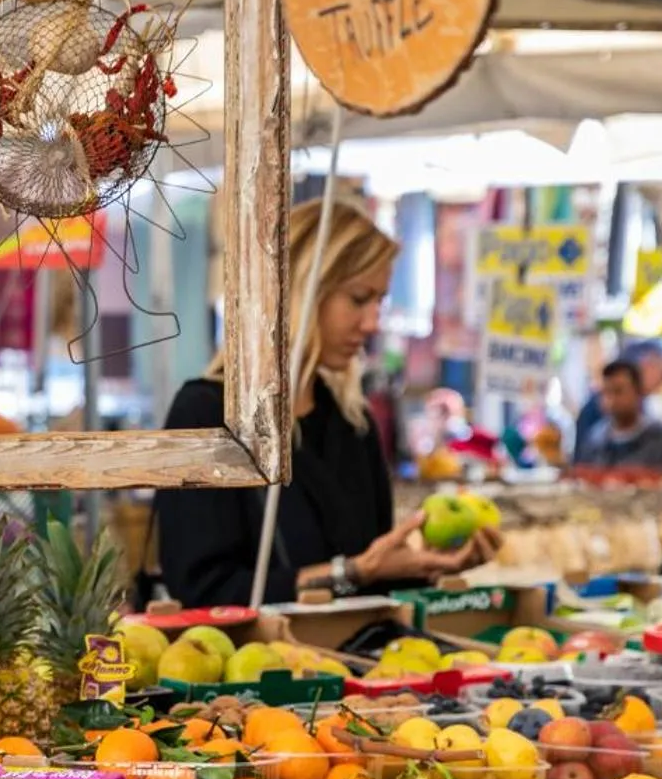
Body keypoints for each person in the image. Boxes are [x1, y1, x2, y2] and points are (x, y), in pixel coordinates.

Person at [156, 199, 498, 606]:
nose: (372, 323)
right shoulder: (208, 414)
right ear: (300, 291)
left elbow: (370, 588)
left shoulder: (354, 423)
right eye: (358, 299)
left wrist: (424, 566)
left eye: (380, 301)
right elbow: (201, 590)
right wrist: (351, 573)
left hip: (358, 663)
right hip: (255, 665)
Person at [573, 359, 662, 474]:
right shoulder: (595, 440)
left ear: (638, 392)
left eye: (618, 391)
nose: (611, 400)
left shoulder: (660, 440)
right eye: (606, 392)